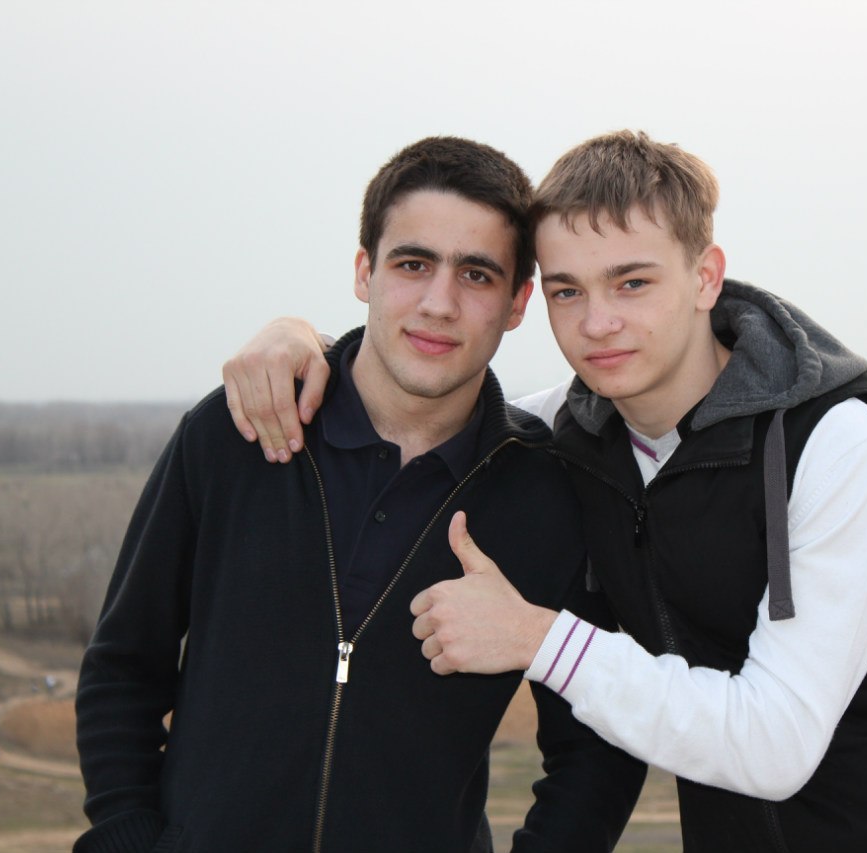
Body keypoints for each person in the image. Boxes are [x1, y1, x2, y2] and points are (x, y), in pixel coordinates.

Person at [225, 131, 867, 852]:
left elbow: (775, 739)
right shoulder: (568, 432)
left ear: (706, 276)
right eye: (567, 290)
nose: (597, 322)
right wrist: (298, 343)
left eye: (632, 282)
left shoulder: (837, 445)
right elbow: (422, 396)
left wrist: (539, 638)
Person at [74, 137, 643, 853]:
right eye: (412, 264)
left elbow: (597, 745)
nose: (438, 303)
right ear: (363, 272)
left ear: (517, 302)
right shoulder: (237, 431)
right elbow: (123, 668)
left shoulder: (551, 493)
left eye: (476, 274)